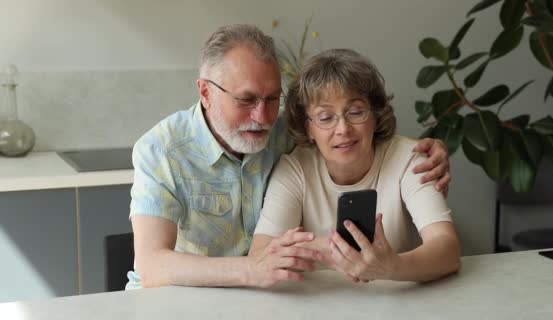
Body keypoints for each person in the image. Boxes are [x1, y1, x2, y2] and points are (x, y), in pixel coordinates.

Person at [127, 24, 452, 289]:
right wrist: (251, 269)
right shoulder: (161, 151)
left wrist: (428, 148)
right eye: (247, 100)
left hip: (269, 295)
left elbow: (351, 134)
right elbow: (152, 265)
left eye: (272, 98)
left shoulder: (282, 133)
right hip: (179, 299)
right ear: (205, 92)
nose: (262, 116)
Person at [249, 48, 461, 283]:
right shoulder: (295, 169)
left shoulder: (411, 159)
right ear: (308, 127)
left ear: (376, 115)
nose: (343, 129)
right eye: (326, 117)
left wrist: (391, 267)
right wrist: (333, 248)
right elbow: (259, 256)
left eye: (355, 112)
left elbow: (448, 250)